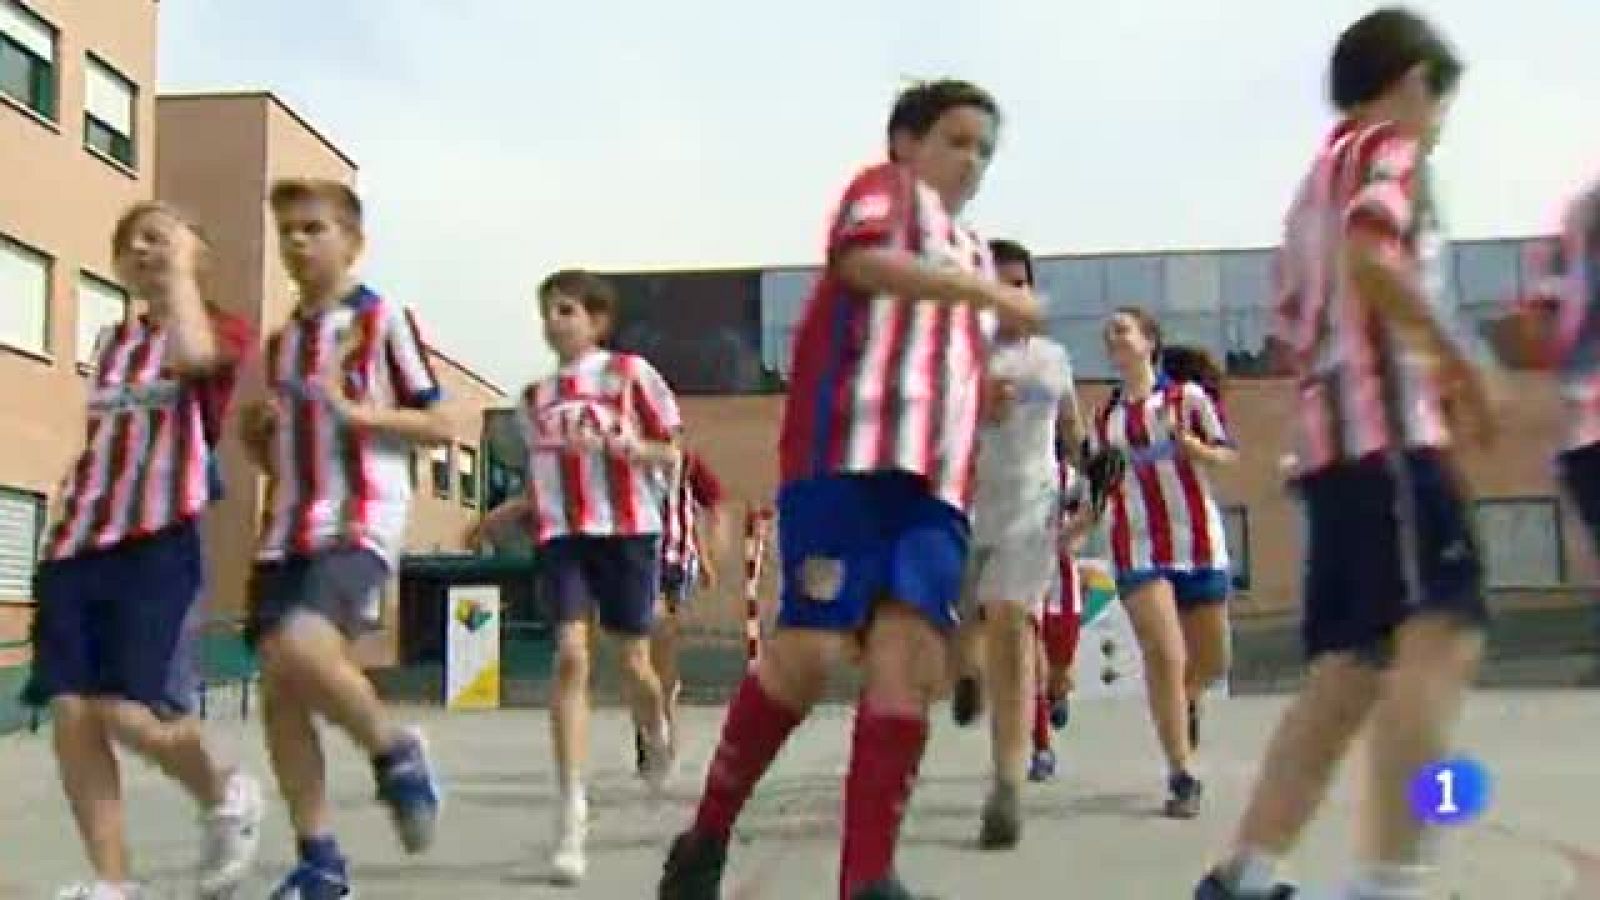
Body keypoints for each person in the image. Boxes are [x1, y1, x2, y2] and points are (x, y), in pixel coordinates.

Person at [657, 79, 1038, 900]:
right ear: (907, 142)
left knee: (911, 662)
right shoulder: (883, 193)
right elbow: (862, 264)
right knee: (810, 651)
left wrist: (981, 396)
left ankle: (867, 876)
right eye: (957, 140)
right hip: (847, 458)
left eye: (984, 150)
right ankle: (708, 832)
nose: (971, 161)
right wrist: (985, 295)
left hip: (936, 488)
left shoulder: (974, 248)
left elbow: (945, 356)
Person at [1195, 9, 1495, 898]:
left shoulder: (1307, 187)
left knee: (1351, 667)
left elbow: (1296, 330)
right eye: (1441, 104)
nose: (1439, 126)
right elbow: (1374, 257)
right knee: (1442, 637)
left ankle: (1246, 874)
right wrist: (1461, 362)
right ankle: (1389, 879)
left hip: (1332, 454)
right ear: (1412, 82)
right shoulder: (1387, 150)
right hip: (1389, 440)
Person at [22, 202, 263, 900]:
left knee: (129, 713)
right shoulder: (111, 342)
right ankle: (112, 882)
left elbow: (192, 360)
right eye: (132, 243)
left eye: (161, 235)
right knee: (71, 712)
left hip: (156, 540)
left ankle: (224, 792)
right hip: (78, 543)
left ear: (198, 254)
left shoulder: (220, 329)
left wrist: (180, 276)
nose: (144, 247)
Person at [240, 179, 447, 900]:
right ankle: (320, 860)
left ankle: (396, 750)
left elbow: (440, 425)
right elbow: (280, 453)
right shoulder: (281, 343)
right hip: (287, 526)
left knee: (303, 646)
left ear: (352, 241)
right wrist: (255, 439)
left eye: (313, 228)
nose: (297, 242)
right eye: (287, 231)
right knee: (278, 690)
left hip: (360, 515)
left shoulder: (381, 319)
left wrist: (356, 413)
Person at [507, 268, 681, 885]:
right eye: (548, 310)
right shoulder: (532, 398)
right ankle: (571, 812)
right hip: (562, 535)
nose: (555, 321)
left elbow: (673, 450)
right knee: (571, 657)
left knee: (634, 662)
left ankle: (655, 727)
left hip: (627, 530)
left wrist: (635, 449)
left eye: (567, 310)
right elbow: (541, 478)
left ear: (597, 320)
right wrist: (503, 513)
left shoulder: (630, 374)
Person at [956, 237, 1081, 848]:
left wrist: (1090, 470)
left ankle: (1006, 784)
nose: (1014, 296)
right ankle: (965, 670)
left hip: (1031, 504)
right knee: (964, 634)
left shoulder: (1053, 359)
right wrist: (973, 409)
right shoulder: (959, 356)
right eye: (1000, 284)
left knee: (1010, 620)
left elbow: (1073, 432)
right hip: (961, 506)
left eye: (1021, 284)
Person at [1088, 308, 1236, 819]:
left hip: (1196, 543)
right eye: (1110, 332)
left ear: (1149, 341)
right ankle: (1181, 773)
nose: (1114, 337)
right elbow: (1098, 487)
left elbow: (1225, 456)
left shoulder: (1189, 399)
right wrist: (1073, 528)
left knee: (1212, 662)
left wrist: (1192, 448)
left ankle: (1187, 698)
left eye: (1123, 327)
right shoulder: (1105, 419)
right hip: (1136, 547)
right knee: (1164, 655)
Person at [636, 448, 730, 774]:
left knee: (662, 647)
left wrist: (708, 554)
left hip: (676, 564)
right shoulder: (625, 455)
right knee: (642, 651)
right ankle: (654, 728)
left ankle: (662, 721)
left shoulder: (687, 460)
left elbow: (714, 504)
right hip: (635, 561)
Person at [1029, 457, 1093, 783]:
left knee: (1058, 668)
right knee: (1030, 667)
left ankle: (1058, 692)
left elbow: (1088, 518)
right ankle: (1041, 748)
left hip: (1061, 585)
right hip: (1021, 578)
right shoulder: (1003, 467)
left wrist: (1075, 529)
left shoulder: (1069, 477)